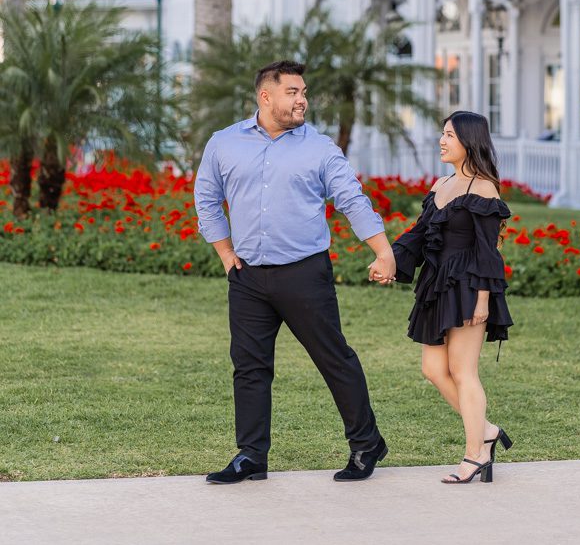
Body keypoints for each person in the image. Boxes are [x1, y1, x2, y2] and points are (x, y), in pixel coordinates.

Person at [194, 60, 397, 484]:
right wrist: (224, 251)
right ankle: (251, 456)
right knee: (248, 367)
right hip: (248, 276)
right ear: (266, 96)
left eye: (303, 92)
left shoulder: (320, 148)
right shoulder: (224, 143)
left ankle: (366, 443)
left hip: (305, 274)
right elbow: (207, 199)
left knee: (333, 359)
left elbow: (352, 200)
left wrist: (383, 252)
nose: (302, 99)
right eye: (293, 92)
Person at [370, 110, 513, 484]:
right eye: (442, 134)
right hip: (437, 286)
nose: (442, 141)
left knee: (463, 372)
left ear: (469, 141)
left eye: (450, 135)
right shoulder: (441, 184)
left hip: (469, 287)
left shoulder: (483, 189)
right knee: (433, 369)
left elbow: (488, 252)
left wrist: (483, 301)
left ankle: (475, 454)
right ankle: (487, 430)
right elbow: (419, 236)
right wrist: (389, 260)